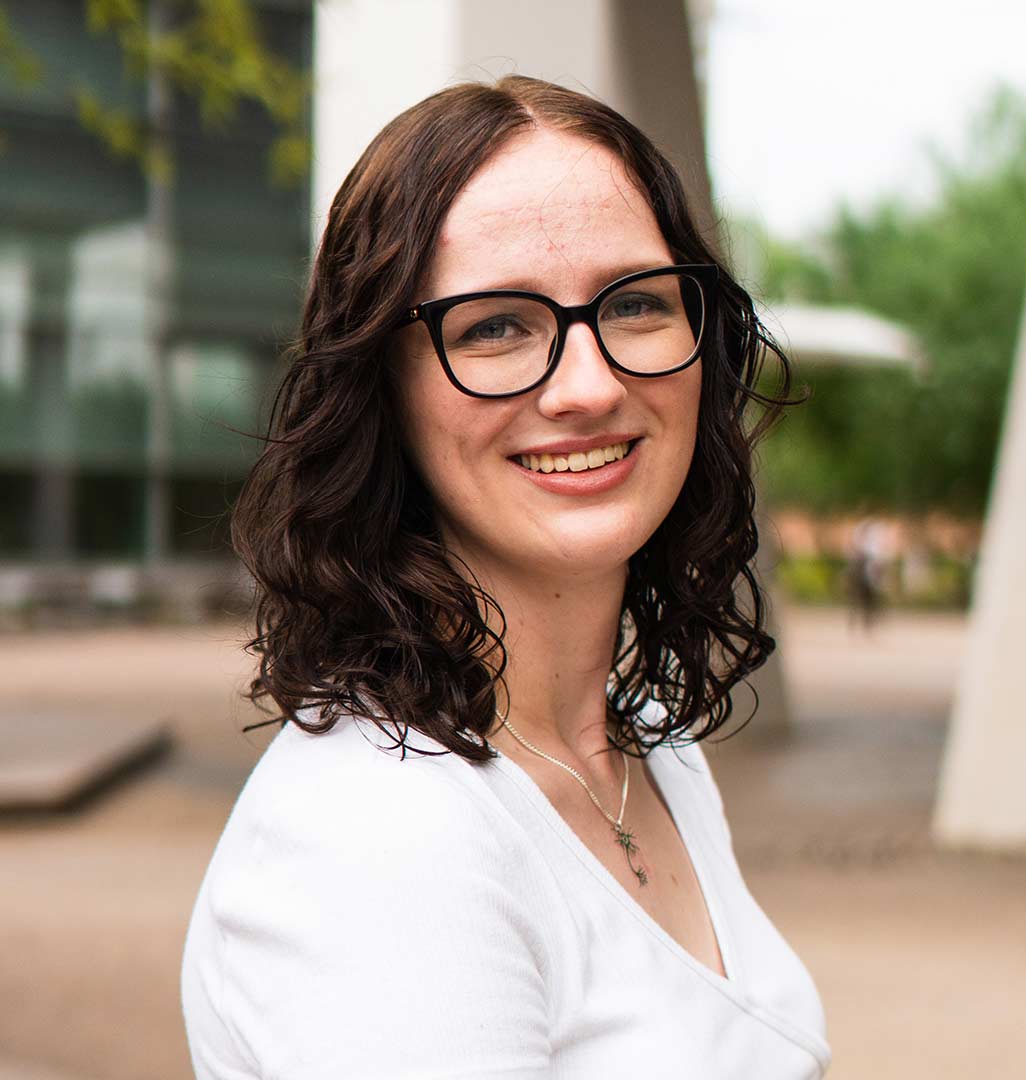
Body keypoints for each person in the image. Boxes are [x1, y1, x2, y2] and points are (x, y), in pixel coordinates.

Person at [181, 76, 831, 1078]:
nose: (590, 385)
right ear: (379, 391)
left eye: (638, 303)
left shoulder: (646, 742)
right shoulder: (375, 840)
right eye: (494, 326)